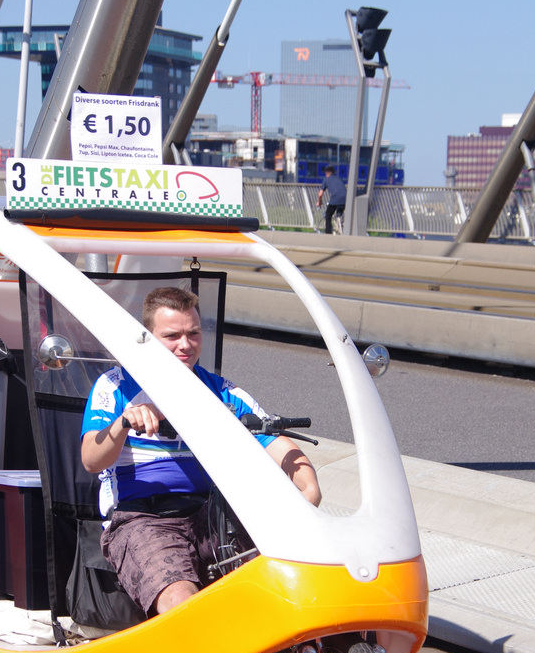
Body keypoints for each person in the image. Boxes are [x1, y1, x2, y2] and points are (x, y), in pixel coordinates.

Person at [81, 286, 321, 617]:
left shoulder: (222, 391)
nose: (185, 345)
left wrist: (309, 487)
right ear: (146, 338)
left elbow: (277, 443)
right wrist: (123, 423)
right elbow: (91, 460)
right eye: (172, 336)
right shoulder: (115, 386)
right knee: (182, 601)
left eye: (193, 333)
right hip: (143, 518)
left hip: (212, 515)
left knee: (291, 569)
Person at [316, 165, 346, 234]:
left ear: (326, 173)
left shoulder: (326, 180)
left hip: (335, 199)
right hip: (345, 199)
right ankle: (341, 225)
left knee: (328, 215)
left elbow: (320, 194)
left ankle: (328, 233)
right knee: (339, 214)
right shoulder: (339, 178)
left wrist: (319, 203)